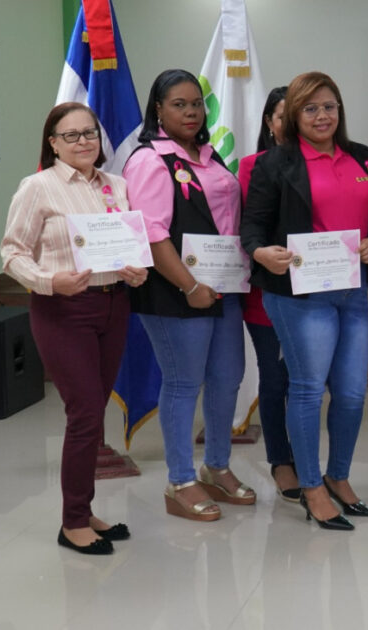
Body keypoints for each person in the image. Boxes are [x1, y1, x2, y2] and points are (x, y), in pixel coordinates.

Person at [1, 103, 148, 554]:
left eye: (90, 133)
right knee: (83, 412)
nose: (83, 142)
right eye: (71, 135)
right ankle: (73, 523)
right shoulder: (38, 187)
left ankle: (85, 510)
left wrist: (136, 270)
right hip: (62, 309)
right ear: (53, 143)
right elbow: (12, 253)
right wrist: (49, 282)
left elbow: (125, 245)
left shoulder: (117, 186)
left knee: (94, 411)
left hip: (114, 304)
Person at [241, 71, 368, 530]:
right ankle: (311, 486)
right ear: (294, 115)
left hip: (352, 291)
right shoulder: (274, 163)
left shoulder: (364, 157)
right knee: (306, 389)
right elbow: (252, 228)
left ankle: (338, 476)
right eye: (310, 108)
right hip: (299, 295)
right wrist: (262, 253)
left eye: (329, 107)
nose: (322, 116)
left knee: (352, 394)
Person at [124, 69, 252, 522]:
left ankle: (216, 466)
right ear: (158, 109)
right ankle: (180, 479)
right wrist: (191, 286)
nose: (191, 112)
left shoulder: (209, 157)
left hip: (223, 287)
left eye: (196, 103)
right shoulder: (150, 160)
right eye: (179, 104)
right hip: (176, 292)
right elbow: (152, 235)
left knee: (227, 378)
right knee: (183, 383)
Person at [237, 86, 299, 503]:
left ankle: (305, 457)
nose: (290, 125)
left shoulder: (327, 164)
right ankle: (280, 460)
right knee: (275, 379)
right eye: (282, 116)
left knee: (305, 381)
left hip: (314, 291)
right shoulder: (251, 166)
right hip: (265, 291)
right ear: (269, 123)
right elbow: (248, 226)